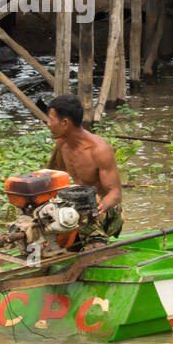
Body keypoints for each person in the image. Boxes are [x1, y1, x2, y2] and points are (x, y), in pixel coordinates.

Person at [45, 94, 123, 247]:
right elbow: (53, 177)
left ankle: (95, 246)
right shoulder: (62, 144)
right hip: (76, 205)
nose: (48, 124)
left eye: (51, 119)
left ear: (65, 123)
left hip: (104, 210)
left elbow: (115, 194)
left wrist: (100, 207)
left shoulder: (99, 150)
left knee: (87, 217)